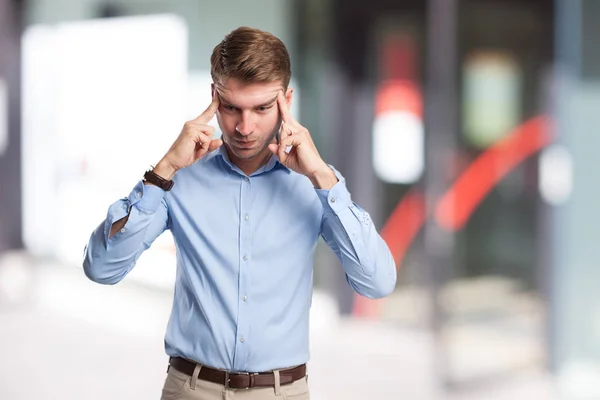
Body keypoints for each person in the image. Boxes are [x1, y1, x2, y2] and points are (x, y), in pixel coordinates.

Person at [83, 26, 397, 400]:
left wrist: (323, 178)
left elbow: (377, 282)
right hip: (191, 389)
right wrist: (164, 168)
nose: (244, 128)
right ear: (214, 98)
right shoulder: (176, 180)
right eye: (231, 108)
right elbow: (102, 268)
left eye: (262, 108)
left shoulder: (316, 186)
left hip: (282, 392)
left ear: (286, 101)